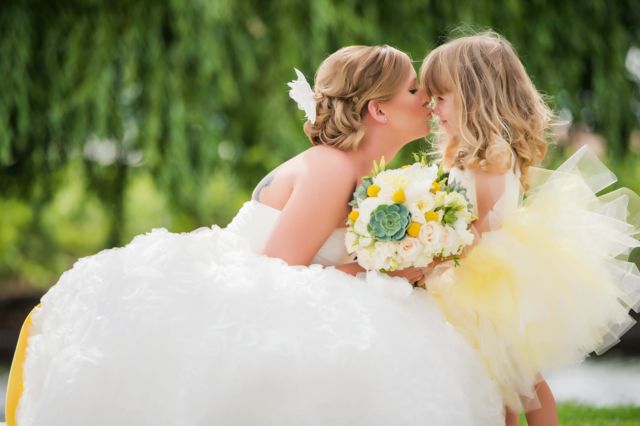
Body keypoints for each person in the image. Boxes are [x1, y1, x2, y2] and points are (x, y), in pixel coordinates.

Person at [5, 45, 504, 426]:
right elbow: (278, 273)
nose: (428, 100)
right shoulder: (332, 169)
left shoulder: (361, 171)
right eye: (416, 89)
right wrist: (385, 268)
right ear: (378, 109)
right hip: (243, 293)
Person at [420, 32, 640, 426]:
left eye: (440, 97)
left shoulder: (491, 155)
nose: (431, 107)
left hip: (484, 277)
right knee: (498, 378)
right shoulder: (469, 152)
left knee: (520, 378)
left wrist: (434, 257)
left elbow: (479, 229)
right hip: (470, 271)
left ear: (475, 95)